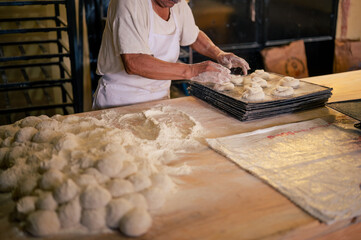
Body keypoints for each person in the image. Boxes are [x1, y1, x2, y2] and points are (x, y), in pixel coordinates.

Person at [92, 0, 250, 110]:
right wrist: (192, 71)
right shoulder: (129, 3)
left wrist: (219, 54)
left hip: (160, 98)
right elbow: (134, 62)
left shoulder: (177, 5)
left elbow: (193, 35)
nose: (176, 1)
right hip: (122, 100)